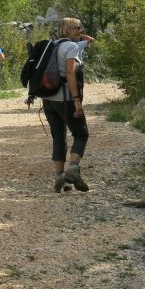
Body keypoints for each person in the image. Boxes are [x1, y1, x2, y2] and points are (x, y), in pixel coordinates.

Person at [42, 17, 95, 192]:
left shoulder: (51, 46)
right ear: (68, 30)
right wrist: (77, 100)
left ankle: (59, 179)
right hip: (66, 99)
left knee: (58, 137)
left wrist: (80, 37)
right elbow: (71, 74)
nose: (80, 30)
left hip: (49, 100)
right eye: (77, 27)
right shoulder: (71, 47)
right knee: (81, 133)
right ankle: (72, 170)